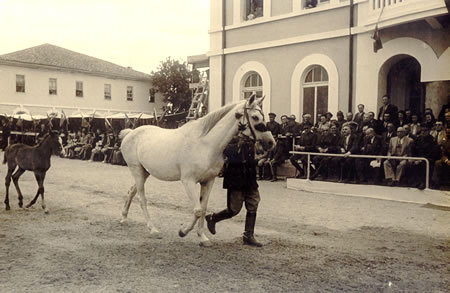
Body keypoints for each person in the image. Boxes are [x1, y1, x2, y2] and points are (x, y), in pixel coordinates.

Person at [205, 135, 263, 247]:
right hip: (235, 179)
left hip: (249, 179)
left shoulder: (251, 140)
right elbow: (226, 153)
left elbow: (248, 159)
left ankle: (248, 236)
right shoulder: (230, 136)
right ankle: (213, 218)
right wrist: (238, 144)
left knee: (253, 203)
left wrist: (257, 162)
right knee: (234, 209)